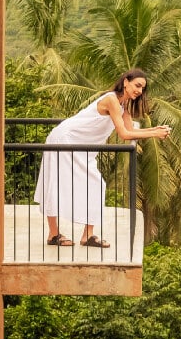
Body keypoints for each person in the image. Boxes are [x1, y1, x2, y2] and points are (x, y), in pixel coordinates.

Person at [34, 69, 170, 247]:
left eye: (142, 89)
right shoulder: (111, 100)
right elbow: (124, 134)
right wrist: (154, 133)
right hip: (66, 138)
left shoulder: (124, 108)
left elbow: (131, 132)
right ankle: (53, 234)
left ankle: (87, 236)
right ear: (126, 82)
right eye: (137, 85)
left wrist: (155, 130)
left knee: (95, 184)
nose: (139, 91)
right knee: (57, 183)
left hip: (82, 146)